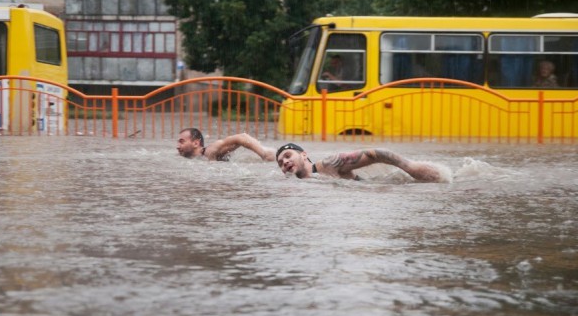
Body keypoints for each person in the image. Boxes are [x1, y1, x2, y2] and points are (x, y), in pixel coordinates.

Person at [275, 143, 444, 183]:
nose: (285, 162)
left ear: (304, 155)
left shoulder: (328, 165)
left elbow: (374, 154)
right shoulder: (294, 185)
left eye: (288, 156)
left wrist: (411, 167)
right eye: (281, 163)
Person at [177, 128, 276, 161]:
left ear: (195, 143)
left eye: (182, 142)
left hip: (273, 154)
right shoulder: (193, 158)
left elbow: (242, 137)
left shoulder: (210, 150)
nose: (177, 146)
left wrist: (264, 154)